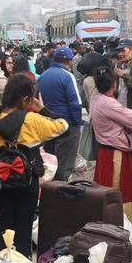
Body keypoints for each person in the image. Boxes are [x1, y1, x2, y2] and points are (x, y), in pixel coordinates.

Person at [0, 73, 68, 251]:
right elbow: (64, 126)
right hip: (28, 182)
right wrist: (41, 109)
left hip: (1, 183)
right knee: (24, 229)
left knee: (7, 229)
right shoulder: (32, 120)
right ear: (26, 99)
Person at [91, 68, 132, 203]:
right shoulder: (110, 104)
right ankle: (114, 222)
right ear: (114, 84)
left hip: (105, 150)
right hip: (115, 153)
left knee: (106, 192)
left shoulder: (97, 99)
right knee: (114, 194)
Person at [37, 45, 83, 180]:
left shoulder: (42, 76)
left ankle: (50, 189)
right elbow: (76, 103)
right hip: (67, 125)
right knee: (65, 163)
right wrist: (77, 123)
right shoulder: (68, 76)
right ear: (69, 61)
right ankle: (61, 192)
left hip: (48, 125)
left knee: (51, 161)